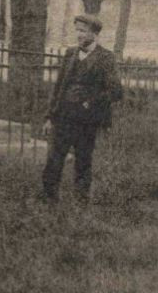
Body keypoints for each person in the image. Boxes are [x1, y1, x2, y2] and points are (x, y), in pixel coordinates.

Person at [41, 15, 125, 203]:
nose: (78, 35)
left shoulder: (106, 58)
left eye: (83, 31)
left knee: (83, 161)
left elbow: (116, 91)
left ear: (94, 34)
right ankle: (48, 201)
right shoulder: (70, 54)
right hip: (63, 117)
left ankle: (80, 202)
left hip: (87, 121)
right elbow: (59, 87)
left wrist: (91, 102)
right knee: (54, 159)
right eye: (77, 30)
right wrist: (49, 116)